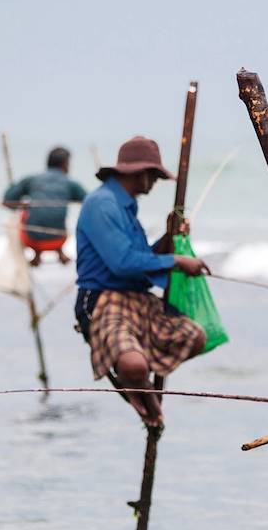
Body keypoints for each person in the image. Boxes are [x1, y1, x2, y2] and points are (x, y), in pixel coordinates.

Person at [73, 136, 210, 428]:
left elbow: (142, 258)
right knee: (134, 365)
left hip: (136, 299)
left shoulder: (126, 205)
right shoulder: (102, 204)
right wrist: (178, 261)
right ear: (141, 173)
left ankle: (135, 378)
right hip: (103, 299)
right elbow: (122, 264)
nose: (155, 183)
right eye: (155, 177)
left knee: (195, 336)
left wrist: (168, 237)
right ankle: (133, 376)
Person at [2, 146, 89, 265]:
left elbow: (7, 201)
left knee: (27, 213)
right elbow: (89, 202)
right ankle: (60, 252)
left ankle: (37, 254)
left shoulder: (32, 179)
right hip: (59, 239)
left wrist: (22, 206)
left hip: (31, 239)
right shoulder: (69, 183)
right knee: (57, 213)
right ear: (65, 164)